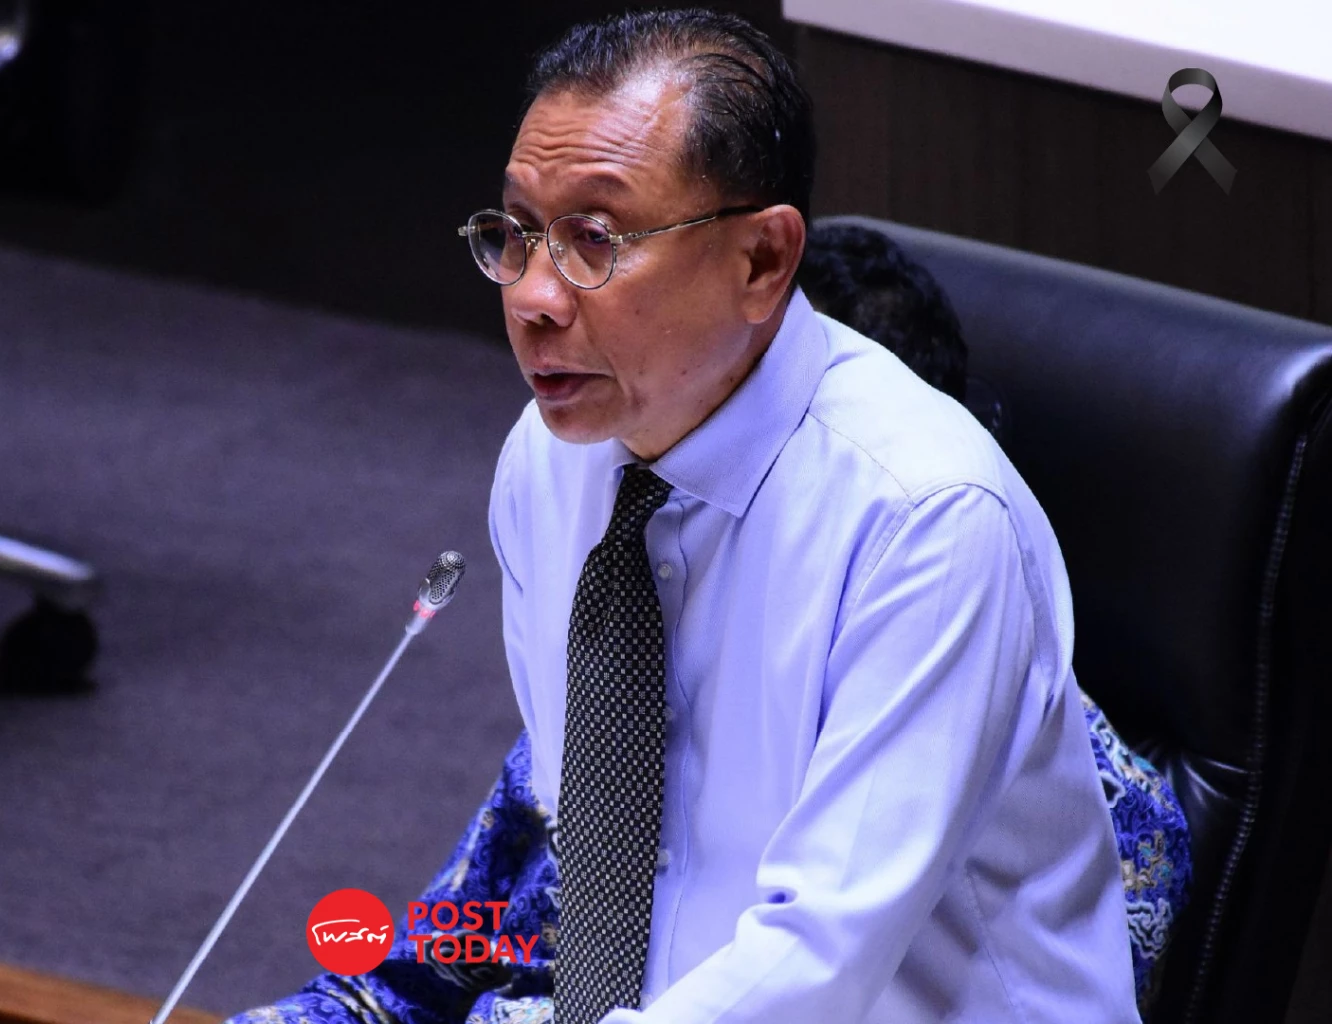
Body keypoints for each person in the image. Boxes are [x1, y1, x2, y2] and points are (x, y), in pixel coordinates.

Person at [235, 10, 1161, 1023]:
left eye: (594, 240)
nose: (533, 296)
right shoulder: (548, 460)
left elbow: (817, 961)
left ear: (761, 261)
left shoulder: (926, 521)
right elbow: (589, 853)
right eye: (517, 233)